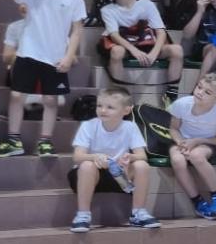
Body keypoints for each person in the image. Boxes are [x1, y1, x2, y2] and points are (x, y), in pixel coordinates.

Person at [0, 0, 87, 158]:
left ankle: (45, 141)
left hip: (55, 57)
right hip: (28, 53)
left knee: (50, 100)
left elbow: (77, 31)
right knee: (16, 95)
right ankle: (13, 140)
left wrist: (69, 55)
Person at [68, 85, 161, 232]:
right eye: (99, 105)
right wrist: (95, 157)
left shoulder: (130, 127)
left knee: (141, 165)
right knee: (86, 165)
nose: (103, 110)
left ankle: (138, 213)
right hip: (91, 175)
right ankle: (83, 215)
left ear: (126, 110)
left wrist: (129, 157)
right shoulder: (88, 126)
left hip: (119, 176)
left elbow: (142, 156)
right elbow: (77, 157)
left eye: (110, 107)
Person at [96, 0, 183, 91]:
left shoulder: (146, 4)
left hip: (146, 42)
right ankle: (118, 92)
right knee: (116, 51)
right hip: (125, 45)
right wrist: (134, 51)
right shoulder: (108, 10)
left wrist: (153, 54)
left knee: (177, 50)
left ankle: (172, 92)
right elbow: (114, 35)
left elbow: (161, 32)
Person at [168, 70, 216, 220]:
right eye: (199, 87)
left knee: (196, 156)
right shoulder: (181, 104)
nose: (200, 92)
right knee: (177, 160)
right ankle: (197, 201)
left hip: (208, 142)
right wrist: (180, 142)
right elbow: (173, 128)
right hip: (182, 140)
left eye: (207, 92)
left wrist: (197, 141)